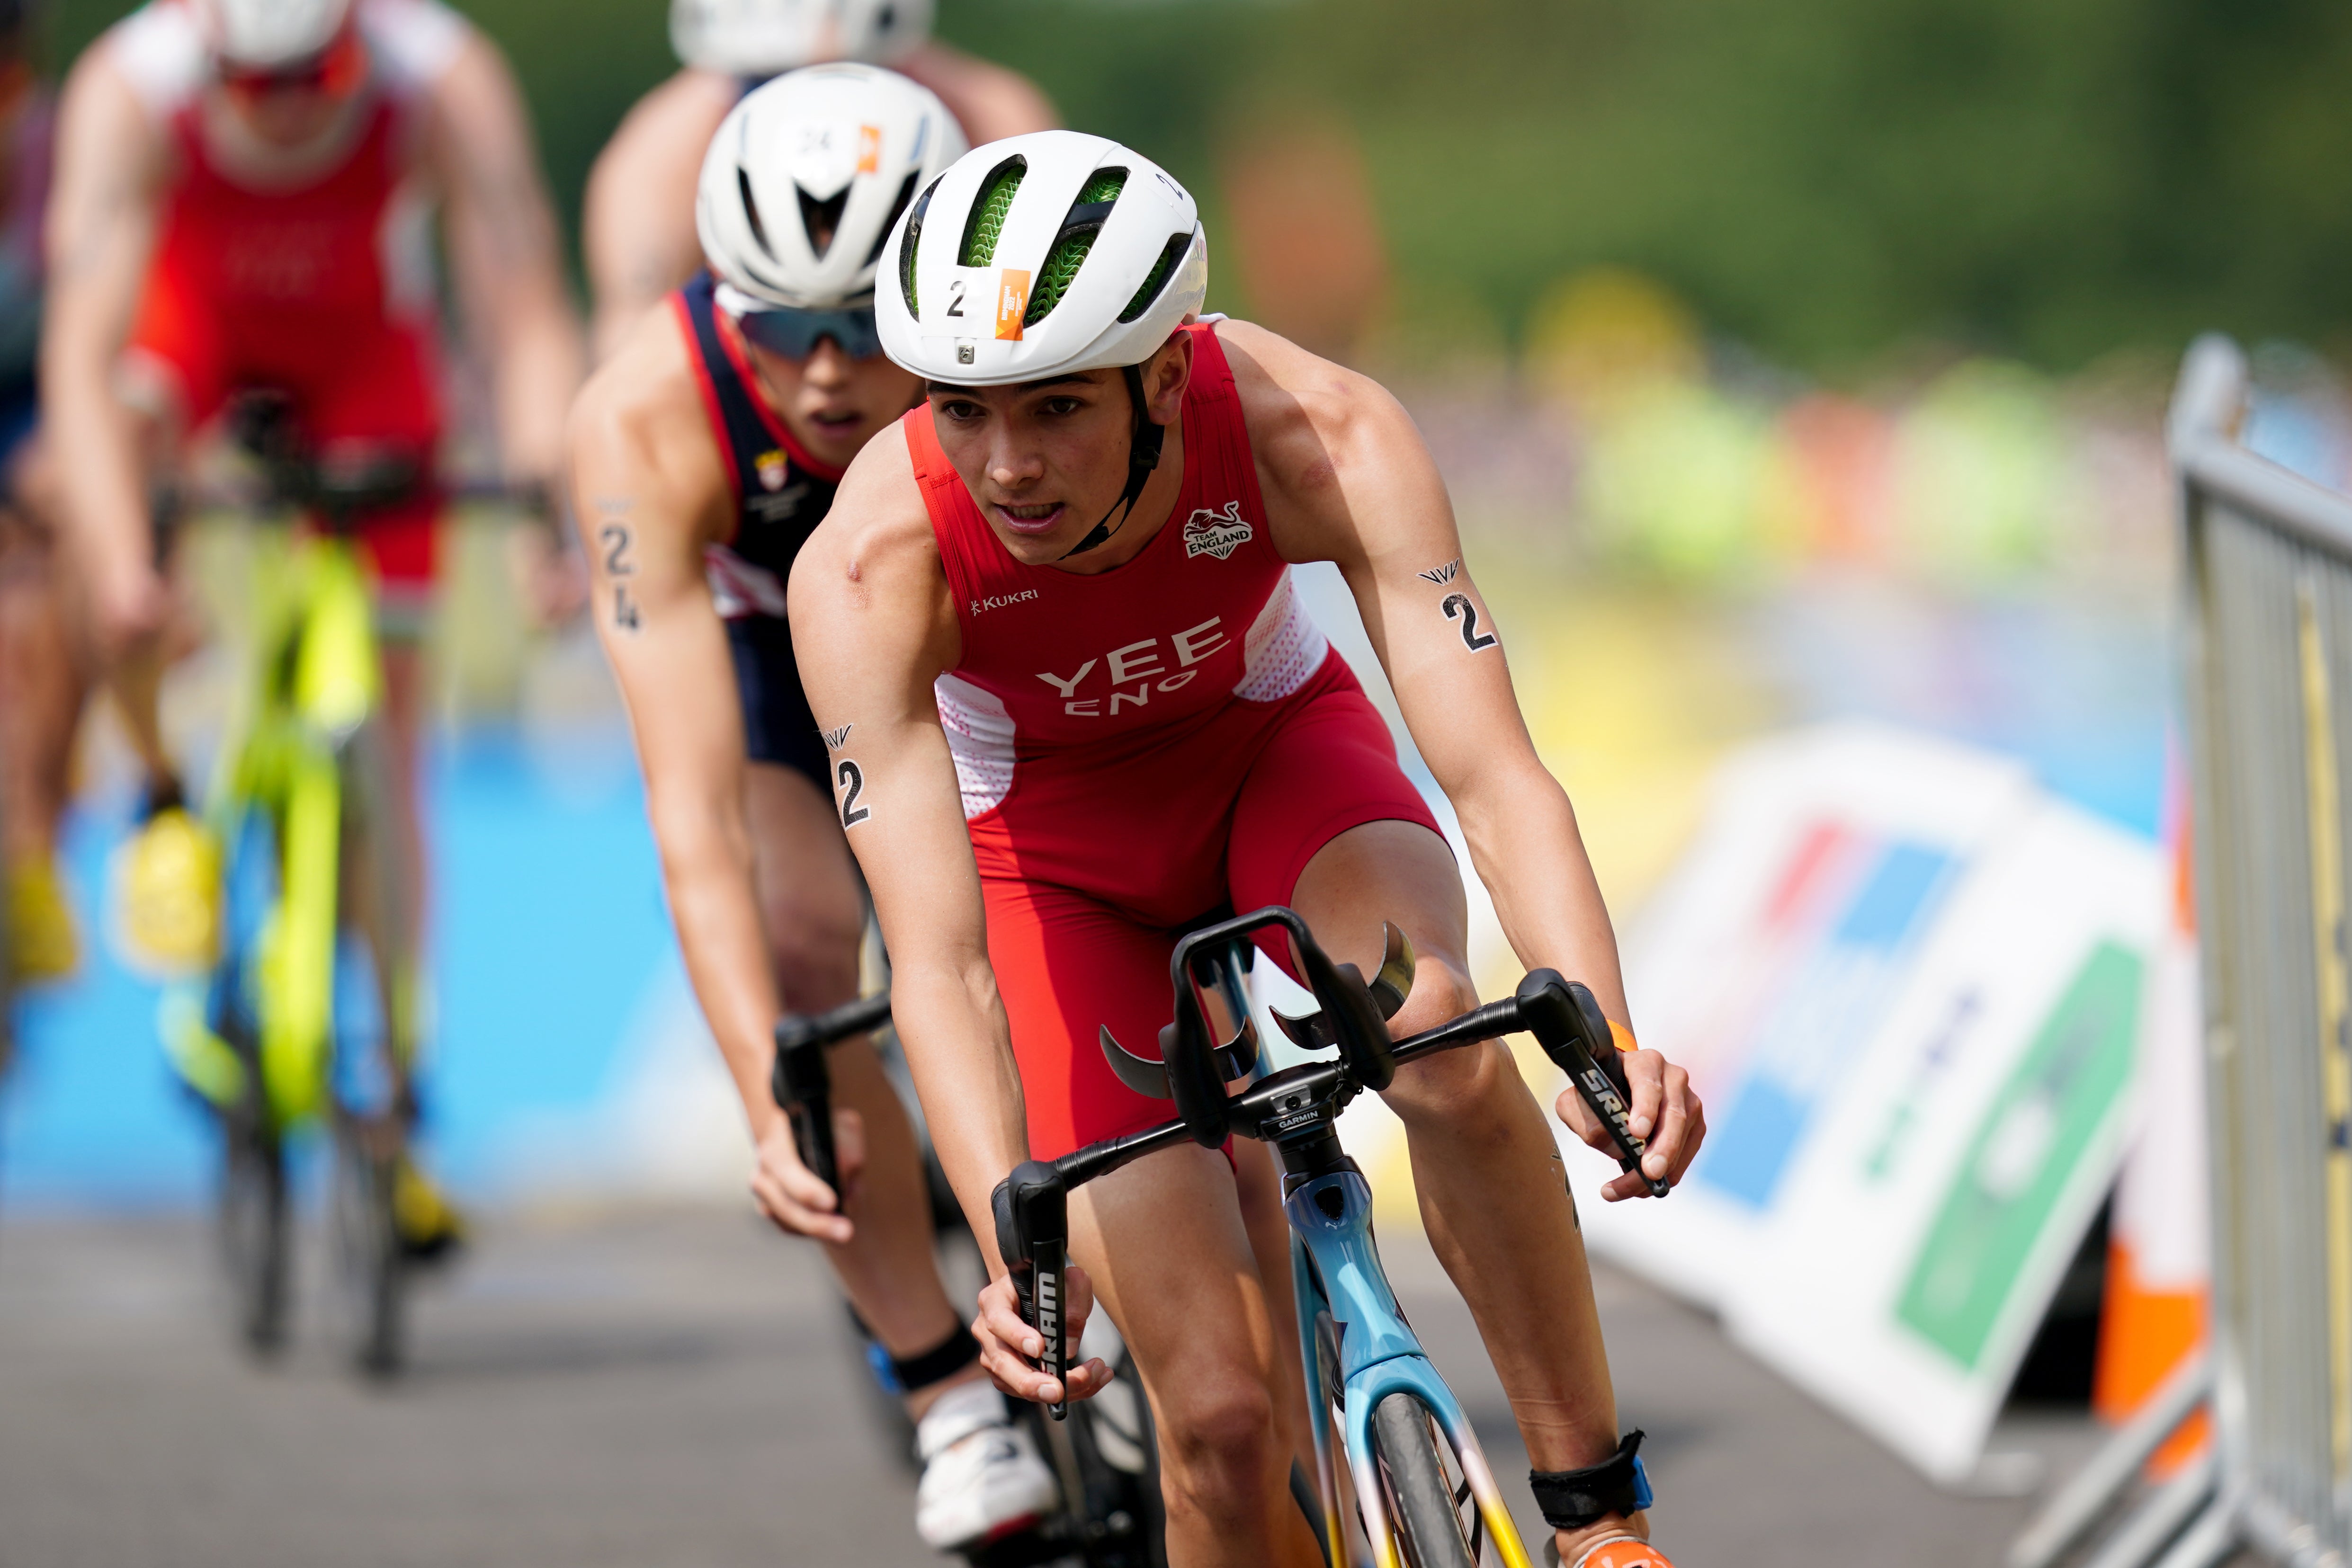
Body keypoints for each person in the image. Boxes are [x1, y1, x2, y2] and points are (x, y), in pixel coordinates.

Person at [762, 130, 1709, 1568]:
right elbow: (938, 961)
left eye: (1056, 411)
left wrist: (1597, 1024)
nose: (1007, 467)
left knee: (1440, 1033)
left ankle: (1597, 1522)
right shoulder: (865, 567)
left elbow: (1491, 770)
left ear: (1162, 371)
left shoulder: (1313, 429)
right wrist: (1000, 1220)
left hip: (1276, 767)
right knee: (1210, 1421)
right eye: (961, 412)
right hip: (1053, 877)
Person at [566, 65, 1070, 1551]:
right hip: (775, 666)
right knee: (802, 971)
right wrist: (755, 1075)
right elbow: (691, 812)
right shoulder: (644, 417)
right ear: (726, 308)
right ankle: (946, 1404)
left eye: (867, 320)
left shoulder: (1008, 354)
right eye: (785, 328)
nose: (835, 372)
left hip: (975, 639)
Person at [43, 0, 584, 1246]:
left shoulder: (441, 76)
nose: (286, 109)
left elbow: (521, 302)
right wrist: (127, 557)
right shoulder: (135, 89)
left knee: (390, 760)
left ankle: (395, 1100)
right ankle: (166, 797)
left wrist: (551, 511)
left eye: (316, 80)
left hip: (366, 368)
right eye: (255, 85)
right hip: (193, 349)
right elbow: (83, 352)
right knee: (104, 468)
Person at [581, 0, 1053, 362]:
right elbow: (631, 353)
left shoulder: (994, 118)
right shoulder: (660, 155)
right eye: (777, 85)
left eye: (854, 77)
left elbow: (1042, 322)